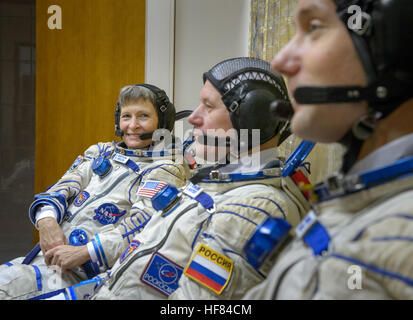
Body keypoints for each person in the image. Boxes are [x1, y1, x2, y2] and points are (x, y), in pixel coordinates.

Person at [76, 57, 311, 300]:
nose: (193, 118)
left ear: (252, 118)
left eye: (208, 107)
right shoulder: (224, 181)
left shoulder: (253, 208)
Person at [244, 0, 413, 299]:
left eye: (314, 27)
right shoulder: (362, 201)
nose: (280, 62)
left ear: (393, 40)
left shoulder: (396, 237)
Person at [0, 84, 189, 300]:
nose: (133, 125)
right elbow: (61, 188)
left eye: (143, 116)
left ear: (162, 123)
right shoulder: (101, 152)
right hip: (47, 262)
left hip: (88, 278)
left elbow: (141, 229)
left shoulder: (164, 170)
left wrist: (83, 252)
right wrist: (47, 222)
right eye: (126, 116)